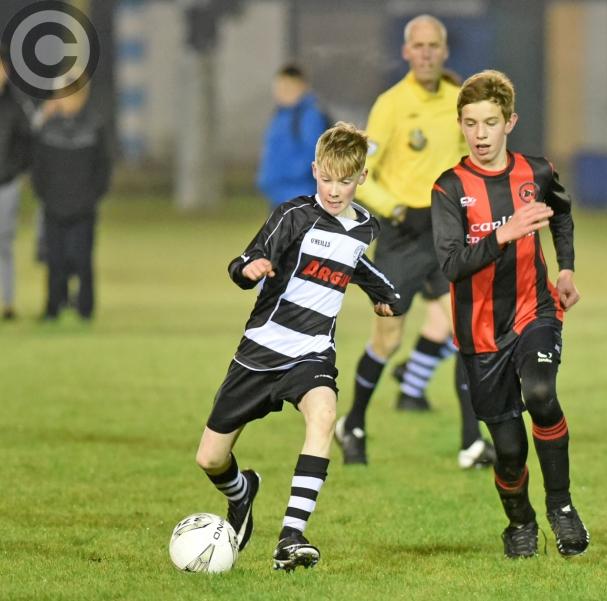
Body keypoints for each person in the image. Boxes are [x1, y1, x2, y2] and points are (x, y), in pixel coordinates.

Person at [194, 122, 401, 572]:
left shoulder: (366, 226)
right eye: (326, 179)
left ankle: (291, 537)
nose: (334, 190)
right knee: (210, 458)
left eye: (344, 181)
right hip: (261, 351)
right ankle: (242, 493)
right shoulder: (293, 215)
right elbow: (244, 259)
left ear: (362, 178)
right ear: (314, 171)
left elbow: (354, 264)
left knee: (323, 414)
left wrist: (386, 294)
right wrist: (249, 270)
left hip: (312, 352)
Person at [431, 70, 590, 559]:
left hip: (533, 310)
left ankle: (562, 508)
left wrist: (565, 269)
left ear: (510, 123)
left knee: (541, 394)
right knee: (509, 451)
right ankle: (520, 522)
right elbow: (452, 264)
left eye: (490, 123)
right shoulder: (449, 188)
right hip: (479, 331)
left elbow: (561, 213)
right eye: (471, 123)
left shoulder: (536, 173)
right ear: (460, 124)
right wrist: (505, 233)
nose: (480, 134)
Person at [336, 14, 495, 469]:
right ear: (406, 52)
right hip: (402, 235)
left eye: (433, 45)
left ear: (445, 51)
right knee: (387, 340)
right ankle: (353, 424)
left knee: (467, 336)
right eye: (418, 46)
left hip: (446, 233)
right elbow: (361, 175)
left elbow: (470, 164)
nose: (426, 53)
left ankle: (471, 443)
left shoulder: (459, 102)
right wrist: (395, 208)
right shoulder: (391, 104)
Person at [31, 79, 111, 321]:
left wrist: (91, 197)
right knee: (54, 261)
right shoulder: (47, 128)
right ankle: (53, 308)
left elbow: (103, 169)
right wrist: (45, 195)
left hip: (83, 208)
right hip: (53, 206)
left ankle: (85, 309)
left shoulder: (95, 127)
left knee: (83, 260)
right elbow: (38, 167)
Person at [256, 64, 330, 210]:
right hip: (279, 195)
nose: (281, 93)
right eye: (279, 88)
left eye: (287, 88)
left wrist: (287, 176)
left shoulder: (309, 116)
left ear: (302, 87)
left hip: (298, 194)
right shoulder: (281, 115)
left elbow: (313, 153)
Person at [0, 59, 31, 320]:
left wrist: (19, 171)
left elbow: (27, 141)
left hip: (6, 184)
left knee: (4, 242)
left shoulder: (16, 105)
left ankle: (7, 302)